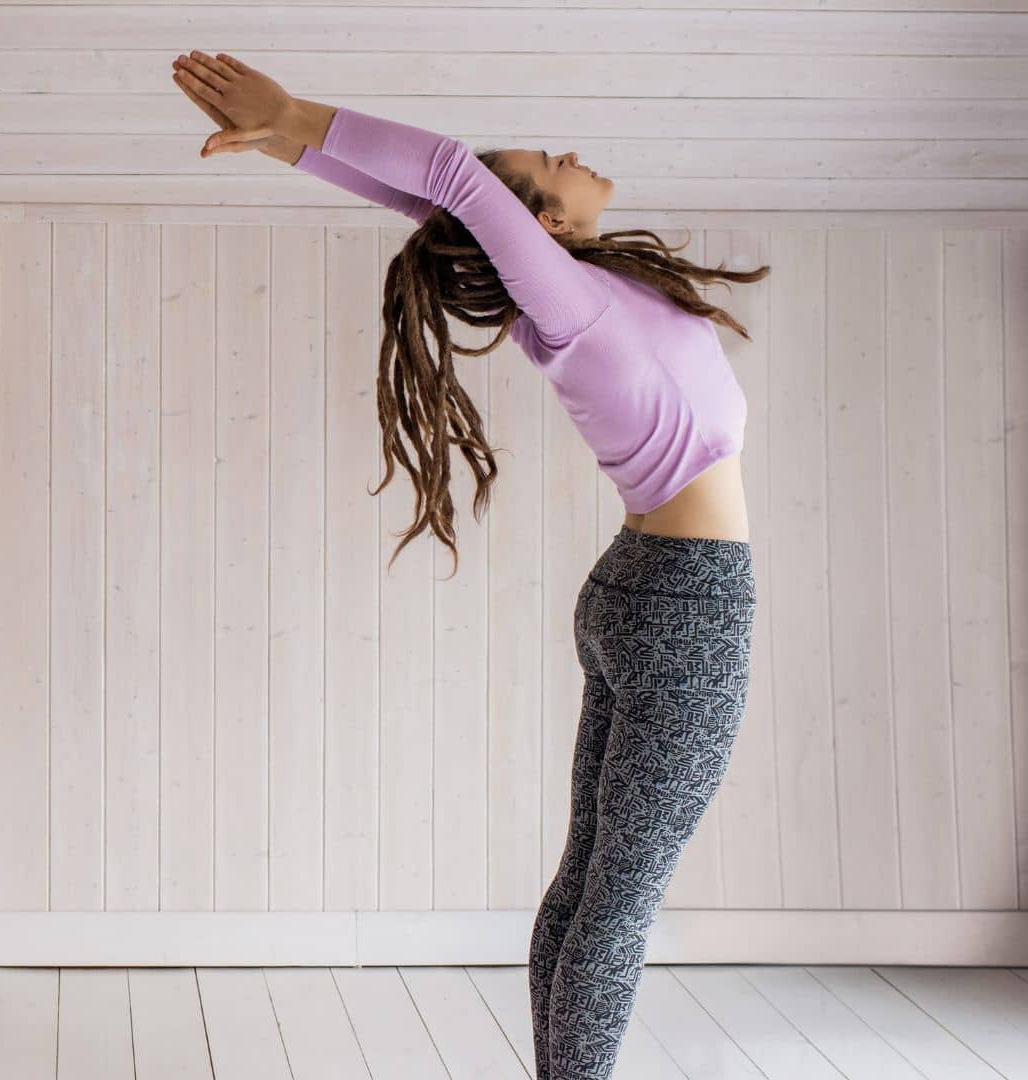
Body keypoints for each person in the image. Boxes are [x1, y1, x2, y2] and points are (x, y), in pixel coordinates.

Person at [173, 51, 771, 1079]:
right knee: (614, 903)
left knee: (591, 888)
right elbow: (454, 177)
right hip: (684, 611)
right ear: (540, 223)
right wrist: (294, 112)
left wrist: (295, 146)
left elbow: (444, 203)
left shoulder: (583, 297)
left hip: (645, 593)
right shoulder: (573, 310)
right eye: (547, 160)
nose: (571, 154)